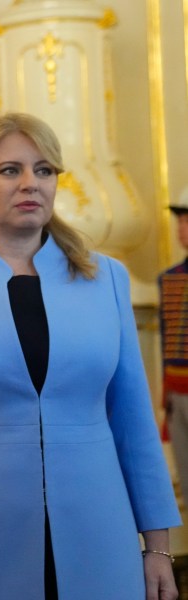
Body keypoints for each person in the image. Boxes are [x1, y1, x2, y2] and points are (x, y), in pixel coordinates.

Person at [0, 112, 180, 600]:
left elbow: (133, 419)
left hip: (98, 522)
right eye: (10, 170)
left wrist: (158, 546)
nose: (31, 184)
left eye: (44, 170)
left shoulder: (105, 278)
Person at [159, 188, 188, 502]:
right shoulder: (170, 278)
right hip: (178, 392)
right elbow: (167, 336)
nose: (182, 229)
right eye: (180, 221)